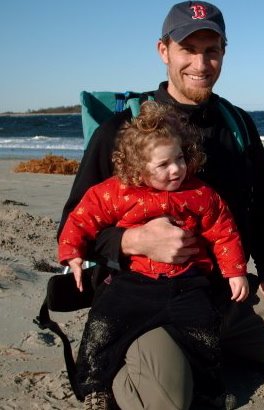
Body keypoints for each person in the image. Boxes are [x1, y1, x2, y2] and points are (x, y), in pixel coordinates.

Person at [59, 2, 264, 409]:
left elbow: (263, 207)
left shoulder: (238, 124)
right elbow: (76, 225)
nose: (201, 63)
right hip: (146, 298)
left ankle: (205, 350)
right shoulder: (124, 129)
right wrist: (132, 241)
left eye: (212, 49)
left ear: (224, 52)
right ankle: (131, 358)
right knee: (169, 400)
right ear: (163, 51)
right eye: (188, 48)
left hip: (225, 296)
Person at [59, 101, 249, 408]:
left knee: (205, 333)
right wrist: (72, 254)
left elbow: (223, 232)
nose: (176, 169)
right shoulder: (114, 192)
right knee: (103, 326)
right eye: (163, 165)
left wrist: (235, 271)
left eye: (179, 158)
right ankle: (95, 386)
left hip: (187, 282)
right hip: (134, 282)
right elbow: (82, 219)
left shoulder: (200, 193)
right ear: (137, 168)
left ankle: (208, 390)